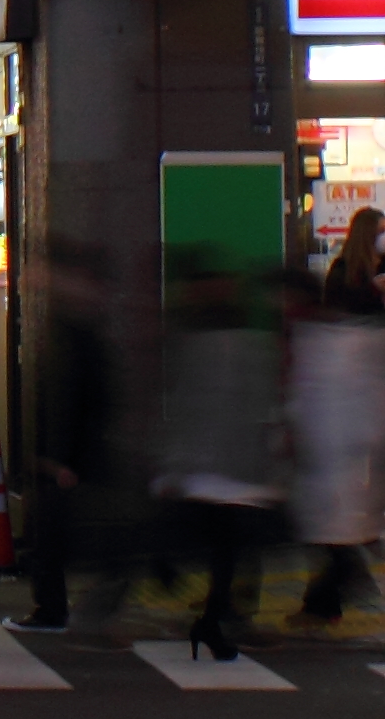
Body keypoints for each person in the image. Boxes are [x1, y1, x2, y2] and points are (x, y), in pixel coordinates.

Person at [153, 252, 283, 662]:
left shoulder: (196, 337)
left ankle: (209, 618)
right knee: (223, 546)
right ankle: (208, 617)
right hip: (216, 465)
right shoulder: (235, 339)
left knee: (224, 547)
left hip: (222, 465)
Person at [3, 239, 114, 638]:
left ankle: (54, 610)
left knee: (57, 538)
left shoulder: (73, 331)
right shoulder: (76, 326)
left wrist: (57, 457)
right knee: (64, 538)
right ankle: (58, 608)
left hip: (69, 459)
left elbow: (72, 397)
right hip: (72, 456)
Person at [286, 255, 383, 625]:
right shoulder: (341, 340)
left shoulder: (325, 340)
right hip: (340, 449)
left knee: (327, 530)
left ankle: (327, 598)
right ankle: (329, 597)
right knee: (329, 529)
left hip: (334, 449)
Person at [324, 206, 385, 316]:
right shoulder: (343, 269)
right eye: (381, 232)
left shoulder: (382, 266)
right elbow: (338, 305)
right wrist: (374, 289)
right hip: (357, 329)